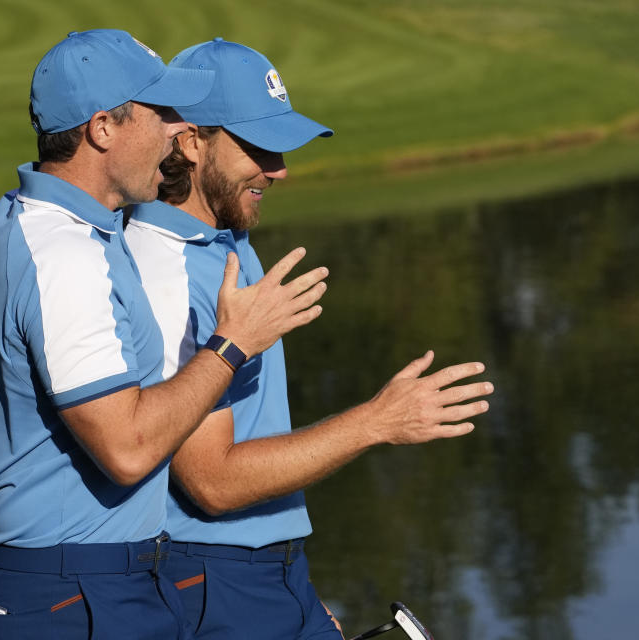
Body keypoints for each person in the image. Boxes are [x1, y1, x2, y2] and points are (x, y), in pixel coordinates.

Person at [124, 38, 494, 639]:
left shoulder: (225, 242)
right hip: (212, 583)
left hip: (269, 574)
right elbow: (211, 482)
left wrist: (293, 592)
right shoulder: (162, 268)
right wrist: (377, 421)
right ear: (190, 142)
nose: (278, 169)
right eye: (258, 147)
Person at [0, 30, 328, 640]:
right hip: (69, 595)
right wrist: (232, 346)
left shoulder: (44, 225)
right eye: (158, 114)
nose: (172, 133)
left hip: (98, 584)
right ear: (102, 128)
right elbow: (128, 450)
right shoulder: (63, 253)